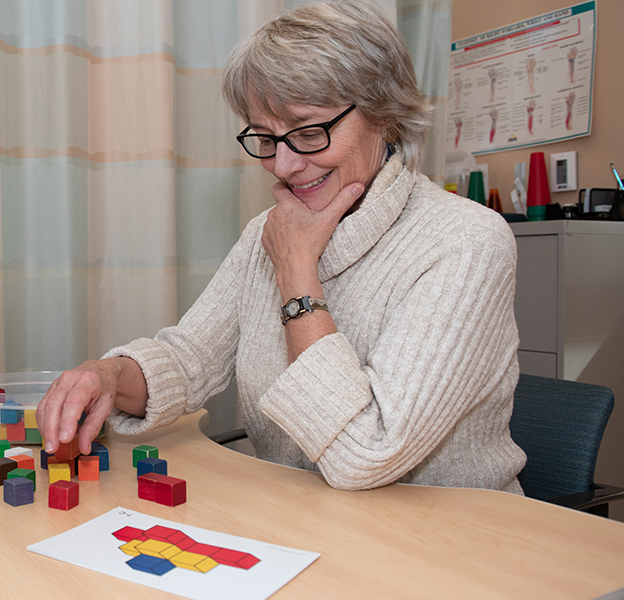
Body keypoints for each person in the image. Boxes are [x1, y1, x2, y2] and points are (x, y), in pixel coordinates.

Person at [37, 0, 526, 493]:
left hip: (448, 530)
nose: (284, 165)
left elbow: (367, 453)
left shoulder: (465, 241)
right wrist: (108, 375)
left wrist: (296, 272)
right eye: (266, 139)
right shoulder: (268, 233)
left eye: (310, 132)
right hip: (302, 515)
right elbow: (189, 360)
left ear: (384, 114)